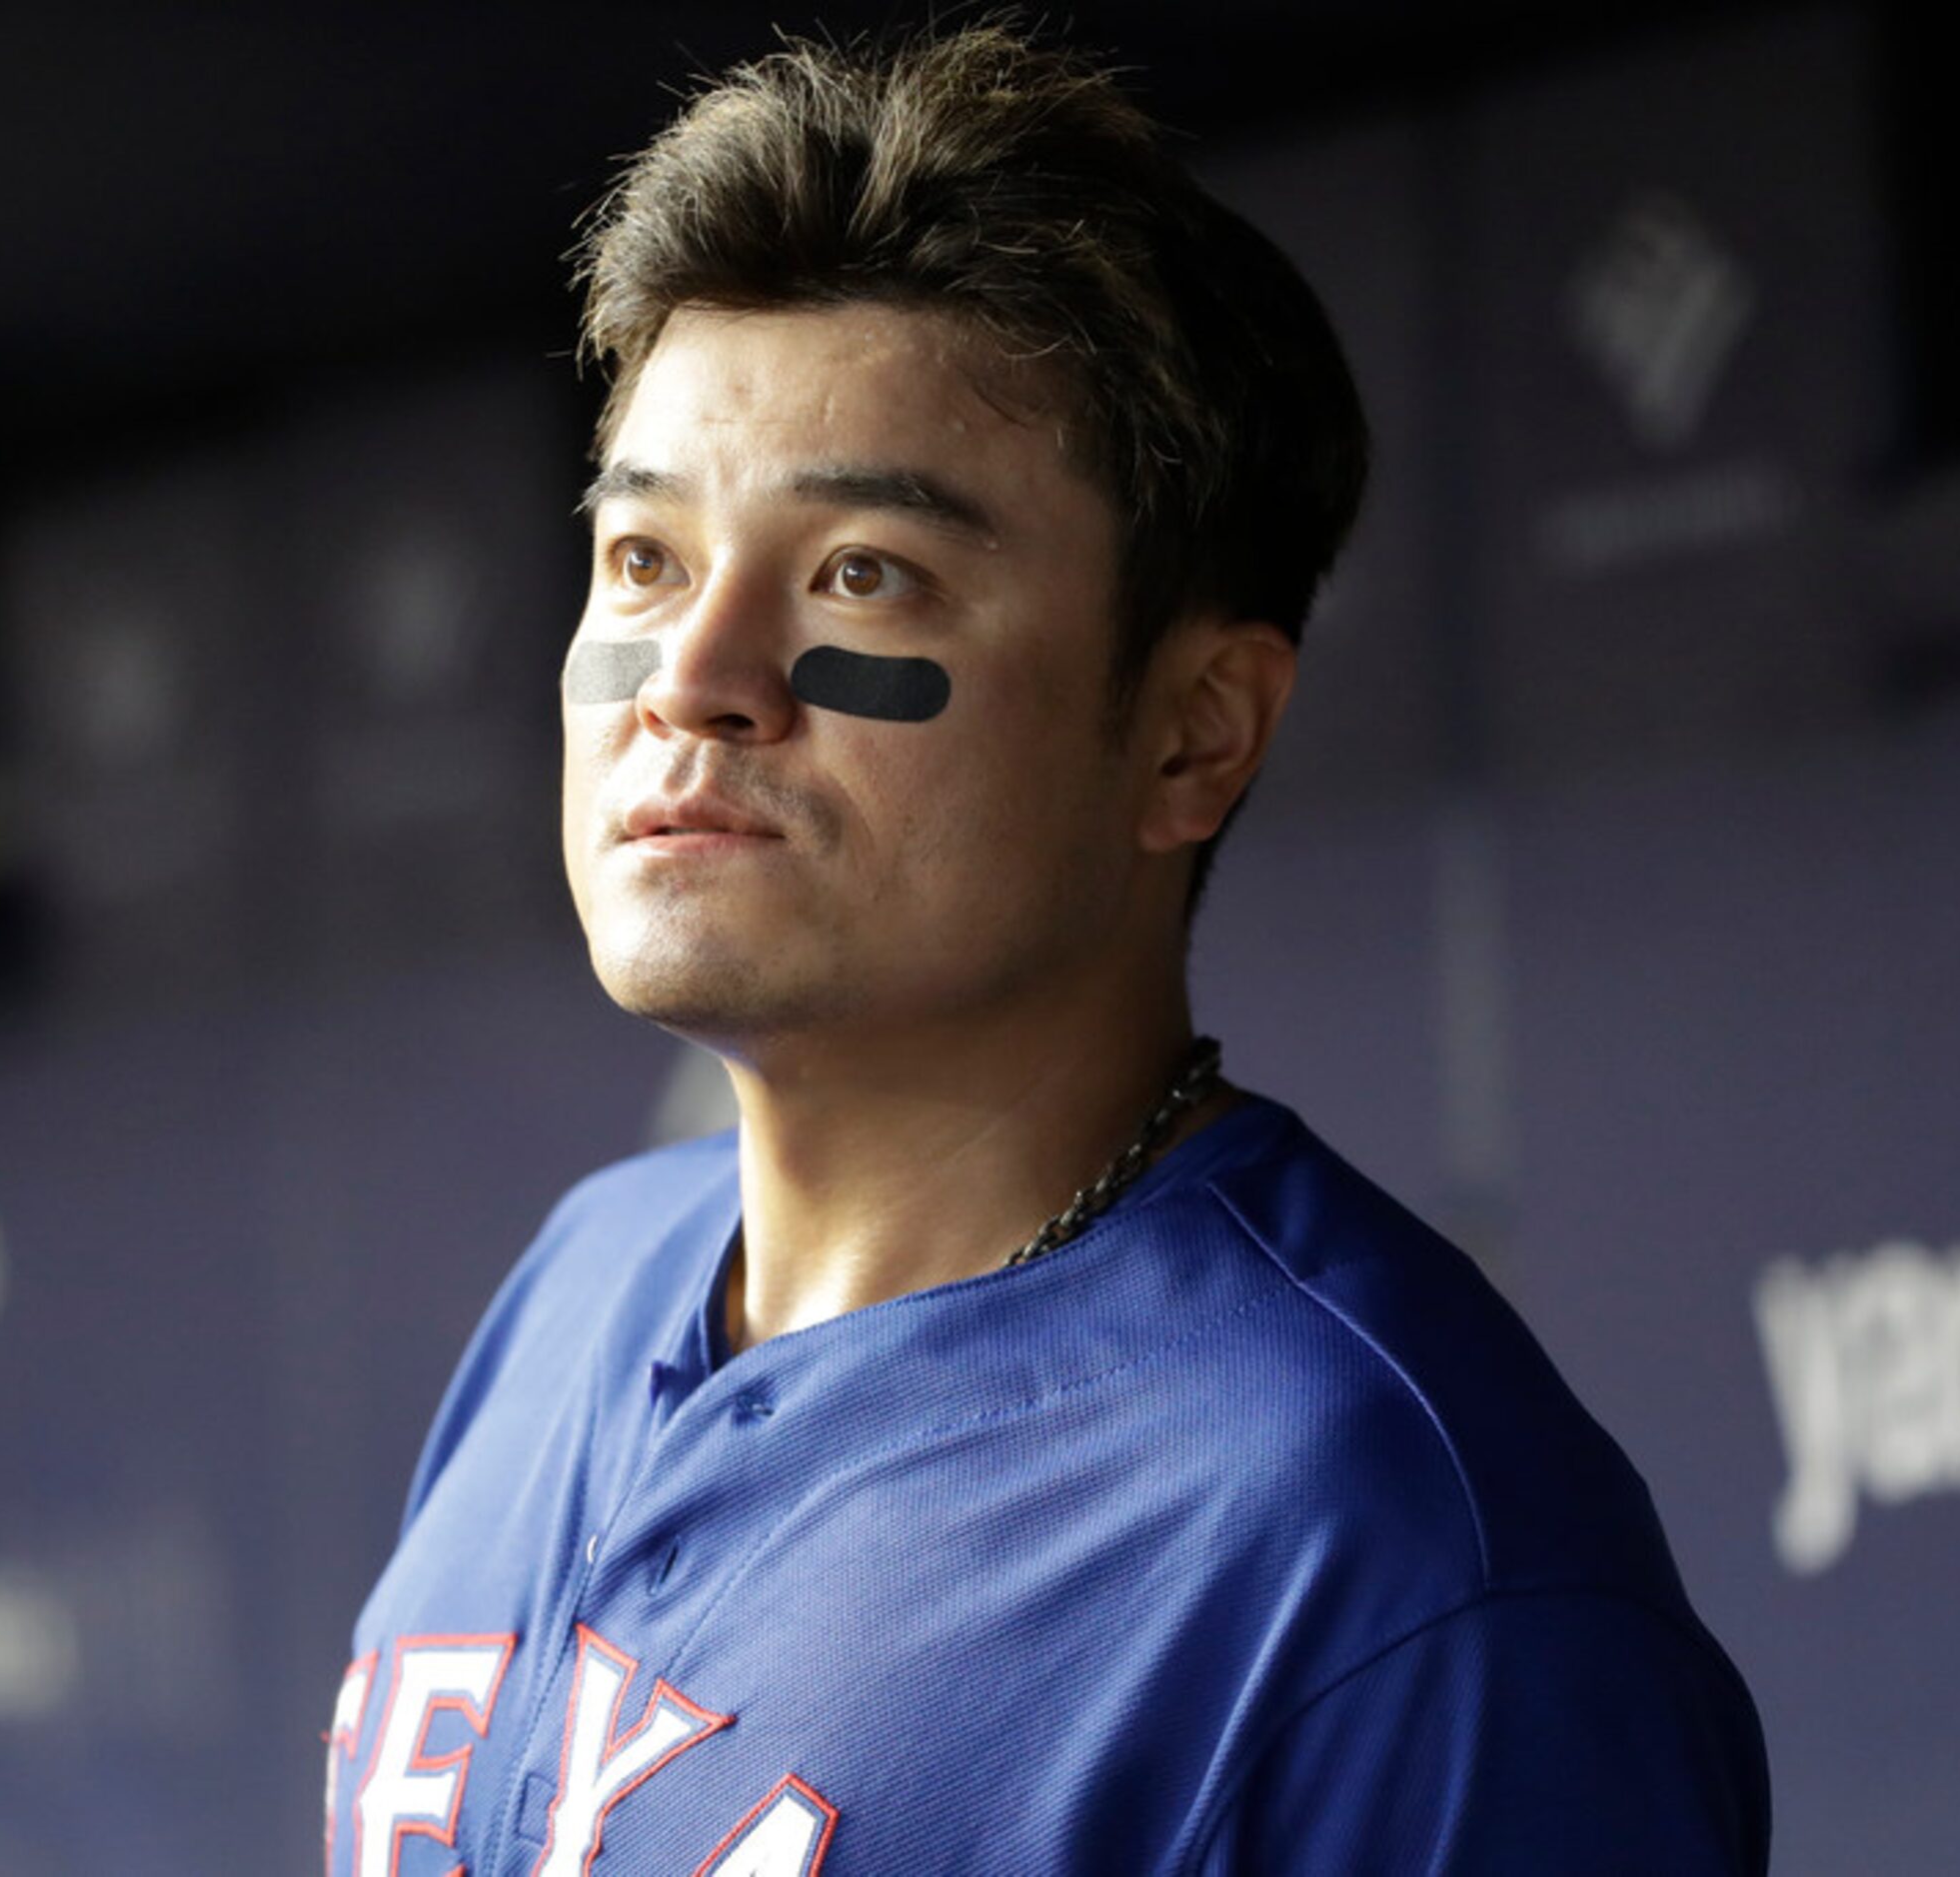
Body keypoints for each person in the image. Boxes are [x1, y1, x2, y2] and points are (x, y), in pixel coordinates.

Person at [326, 22, 1769, 1874]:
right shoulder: (583, 1280)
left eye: (864, 571)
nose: (692, 678)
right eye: (644, 559)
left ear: (1193, 733)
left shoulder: (1398, 1556)